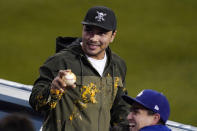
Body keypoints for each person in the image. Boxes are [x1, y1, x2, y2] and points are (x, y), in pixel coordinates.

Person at [29, 6, 129, 131]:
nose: (93, 38)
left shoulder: (117, 65)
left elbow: (120, 108)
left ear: (113, 36)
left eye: (101, 33)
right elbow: (35, 103)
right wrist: (52, 90)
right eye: (89, 30)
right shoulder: (61, 61)